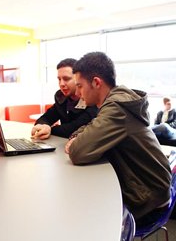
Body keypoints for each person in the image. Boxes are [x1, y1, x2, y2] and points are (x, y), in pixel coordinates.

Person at [65, 52, 171, 227]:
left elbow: (78, 152)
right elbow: (90, 126)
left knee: (79, 217)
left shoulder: (117, 108)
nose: (77, 92)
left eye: (80, 86)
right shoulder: (114, 102)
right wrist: (78, 136)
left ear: (96, 82)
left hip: (148, 202)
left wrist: (77, 142)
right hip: (151, 191)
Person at [31, 58, 97, 139]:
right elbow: (45, 118)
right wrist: (44, 126)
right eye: (59, 79)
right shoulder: (61, 98)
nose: (61, 84)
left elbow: (73, 129)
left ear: (79, 79)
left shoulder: (92, 99)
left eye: (66, 79)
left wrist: (50, 129)